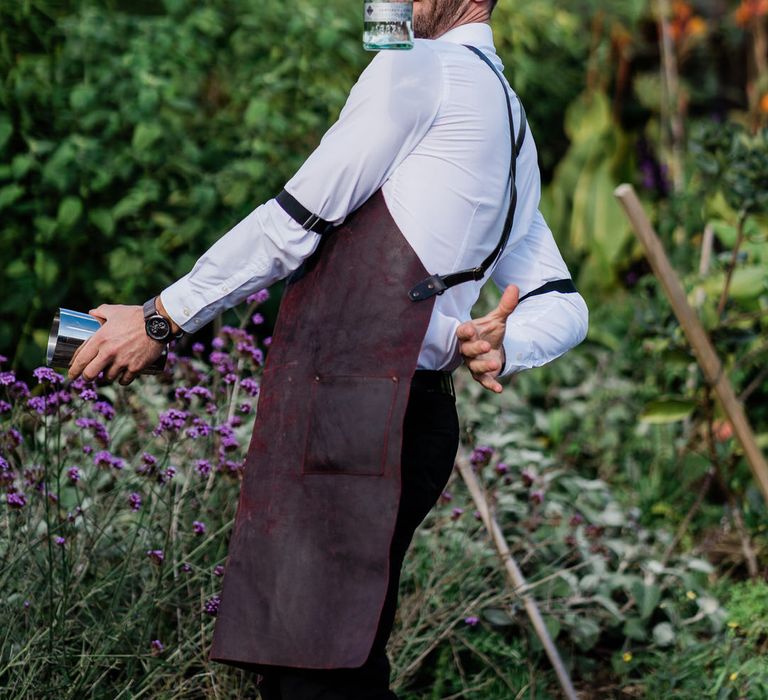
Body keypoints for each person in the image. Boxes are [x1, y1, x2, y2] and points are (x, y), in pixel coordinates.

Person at [69, 0, 588, 697]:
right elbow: (564, 303)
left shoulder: (413, 67)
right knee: (332, 661)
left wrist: (160, 319)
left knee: (314, 677)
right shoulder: (511, 121)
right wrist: (507, 343)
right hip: (412, 419)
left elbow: (292, 223)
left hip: (355, 416)